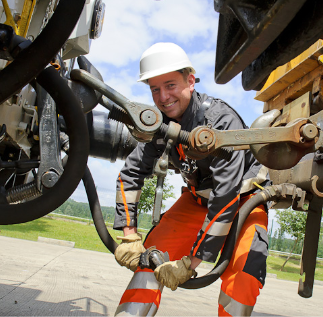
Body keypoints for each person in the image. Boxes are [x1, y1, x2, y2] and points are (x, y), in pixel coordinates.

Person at [113, 42, 271, 317]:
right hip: (198, 201)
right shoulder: (160, 124)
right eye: (154, 89)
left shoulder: (220, 121)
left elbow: (225, 197)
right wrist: (128, 235)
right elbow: (130, 174)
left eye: (170, 85)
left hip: (244, 202)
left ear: (190, 81)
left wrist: (191, 262)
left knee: (244, 278)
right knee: (150, 258)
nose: (163, 97)